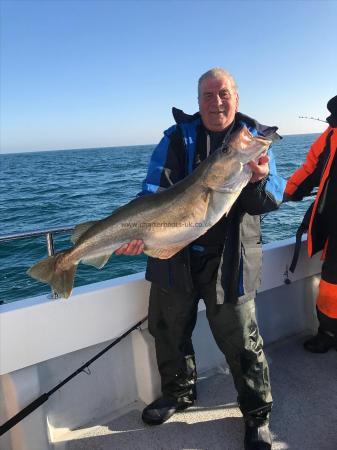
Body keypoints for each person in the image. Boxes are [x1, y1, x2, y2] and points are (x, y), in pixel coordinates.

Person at [116, 68, 285, 450]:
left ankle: (257, 416)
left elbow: (273, 199)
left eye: (223, 93)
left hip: (231, 260)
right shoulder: (175, 139)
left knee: (242, 339)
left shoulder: (255, 141)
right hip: (173, 254)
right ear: (198, 102)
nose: (216, 102)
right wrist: (136, 232)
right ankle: (178, 394)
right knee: (168, 330)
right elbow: (152, 189)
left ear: (236, 98)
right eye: (207, 96)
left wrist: (258, 179)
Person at [283, 95, 337, 353]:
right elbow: (309, 169)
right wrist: (282, 194)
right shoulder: (330, 135)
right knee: (332, 280)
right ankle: (328, 332)